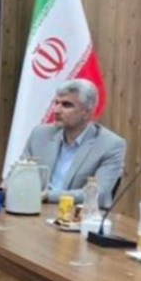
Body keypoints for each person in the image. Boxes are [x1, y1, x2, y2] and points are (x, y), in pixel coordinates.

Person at [22, 78, 125, 208]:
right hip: (34, 210)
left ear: (87, 112)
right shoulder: (40, 134)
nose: (56, 110)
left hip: (77, 216)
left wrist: (48, 196)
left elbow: (99, 194)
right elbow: (18, 174)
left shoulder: (110, 145)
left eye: (66, 105)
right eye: (56, 103)